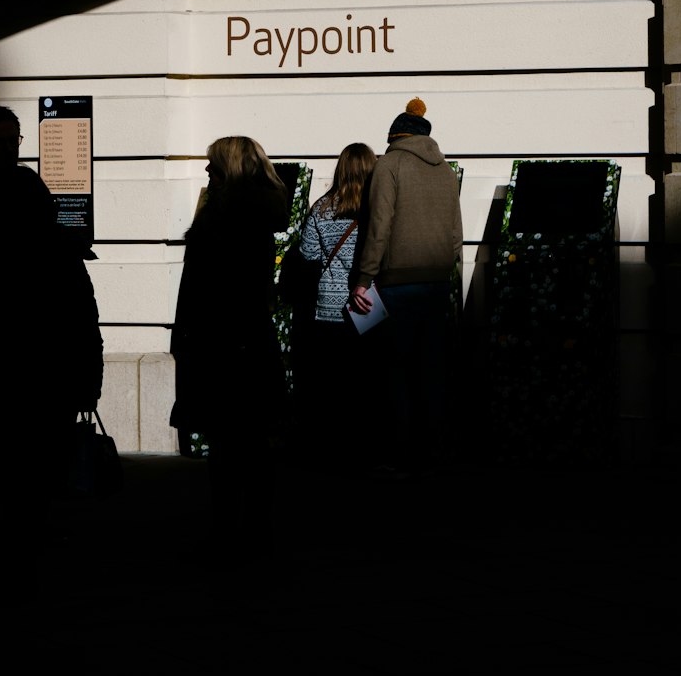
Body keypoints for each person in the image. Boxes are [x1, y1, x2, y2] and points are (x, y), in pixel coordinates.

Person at [0, 106, 103, 578]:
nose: (9, 150)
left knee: (18, 460)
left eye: (14, 141)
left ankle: (5, 544)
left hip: (22, 351)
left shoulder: (20, 188)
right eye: (0, 142)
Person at [170, 136, 289, 561]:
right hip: (245, 344)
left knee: (231, 446)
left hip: (224, 346)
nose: (206, 171)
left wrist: (188, 337)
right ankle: (251, 530)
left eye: (213, 165)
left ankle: (232, 532)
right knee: (250, 444)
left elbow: (212, 289)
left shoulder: (228, 219)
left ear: (230, 170)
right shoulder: (253, 215)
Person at [349, 98, 462, 472]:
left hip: (396, 286)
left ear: (395, 137)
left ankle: (400, 454)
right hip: (437, 283)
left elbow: (379, 228)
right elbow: (455, 234)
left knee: (395, 371)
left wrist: (364, 279)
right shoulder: (446, 170)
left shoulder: (390, 165)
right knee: (432, 370)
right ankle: (436, 451)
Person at [295, 142, 377, 457]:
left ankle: (330, 449)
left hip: (328, 308)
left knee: (330, 386)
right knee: (364, 385)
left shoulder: (321, 208)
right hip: (369, 307)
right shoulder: (376, 210)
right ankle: (361, 449)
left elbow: (308, 253)